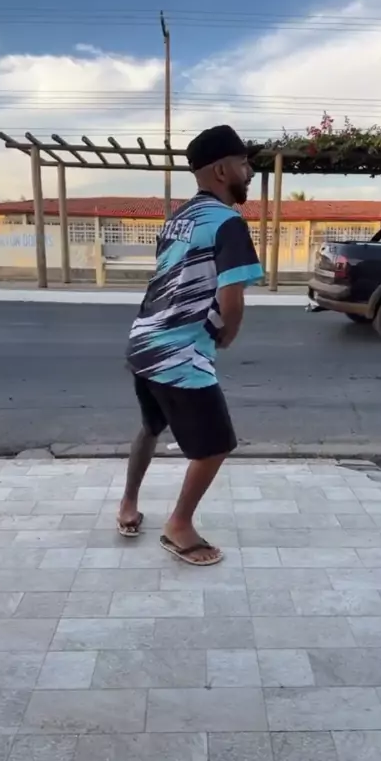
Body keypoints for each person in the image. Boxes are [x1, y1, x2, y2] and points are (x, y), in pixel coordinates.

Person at [117, 124, 264, 565]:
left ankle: (127, 505)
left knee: (151, 427)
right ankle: (178, 525)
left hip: (144, 341)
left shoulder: (177, 218)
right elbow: (231, 299)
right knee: (216, 445)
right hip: (177, 354)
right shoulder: (228, 223)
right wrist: (225, 335)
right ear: (221, 170)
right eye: (243, 164)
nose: (249, 172)